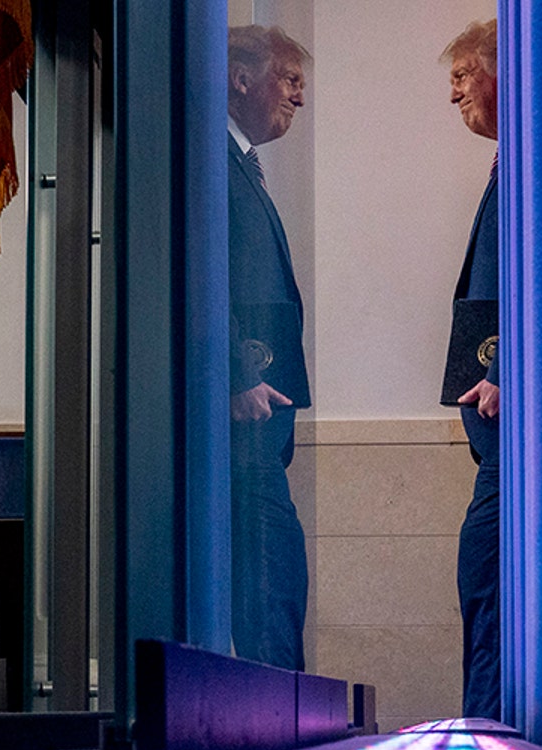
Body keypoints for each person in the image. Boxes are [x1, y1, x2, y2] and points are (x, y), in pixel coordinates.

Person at [227, 25, 312, 670]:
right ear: (242, 78)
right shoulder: (209, 163)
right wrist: (234, 374)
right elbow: (196, 273)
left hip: (259, 420)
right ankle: (274, 736)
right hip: (236, 419)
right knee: (266, 579)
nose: (299, 98)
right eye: (291, 79)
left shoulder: (240, 164)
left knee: (277, 576)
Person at [441, 19, 502, 718]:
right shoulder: (509, 164)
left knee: (485, 581)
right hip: (495, 437)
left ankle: (487, 734)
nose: (452, 94)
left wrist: (510, 369)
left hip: (511, 436)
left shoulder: (532, 164)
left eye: (461, 75)